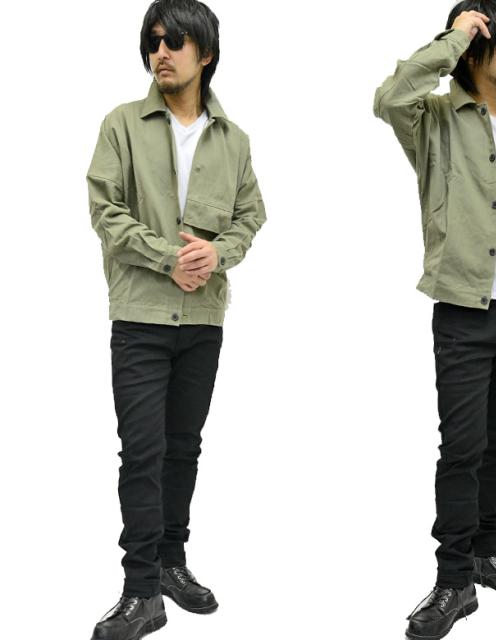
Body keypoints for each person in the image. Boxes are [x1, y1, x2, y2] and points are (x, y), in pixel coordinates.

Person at [373, 1, 496, 638]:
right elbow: (388, 96)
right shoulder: (432, 119)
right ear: (476, 48)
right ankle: (453, 579)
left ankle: (487, 553)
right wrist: (452, 36)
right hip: (464, 310)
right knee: (461, 449)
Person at [86, 1, 266, 638]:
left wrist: (219, 254)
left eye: (175, 41)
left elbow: (251, 216)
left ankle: (171, 562)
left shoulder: (233, 140)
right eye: (153, 41)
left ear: (205, 53)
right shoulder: (122, 125)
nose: (160, 52)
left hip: (202, 322)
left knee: (183, 448)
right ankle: (141, 591)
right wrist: (170, 259)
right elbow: (105, 211)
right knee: (143, 452)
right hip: (140, 317)